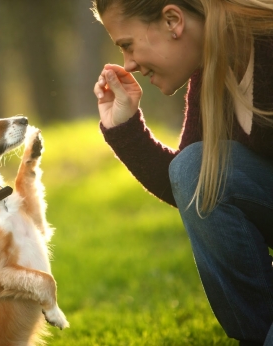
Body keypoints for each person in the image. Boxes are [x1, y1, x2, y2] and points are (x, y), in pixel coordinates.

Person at [91, 0, 273, 345]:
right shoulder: (214, 68)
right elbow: (194, 185)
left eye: (127, 45)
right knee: (193, 166)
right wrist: (124, 127)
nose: (128, 64)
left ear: (173, 20)